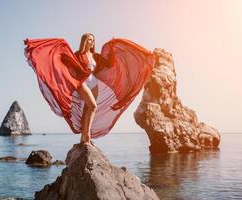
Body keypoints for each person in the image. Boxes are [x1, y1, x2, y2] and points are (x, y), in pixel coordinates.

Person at [24, 33, 156, 145]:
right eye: (89, 40)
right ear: (84, 41)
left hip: (94, 84)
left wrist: (112, 47)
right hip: (83, 84)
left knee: (88, 109)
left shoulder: (95, 56)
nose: (91, 42)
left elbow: (109, 64)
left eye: (92, 40)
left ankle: (85, 137)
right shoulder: (77, 55)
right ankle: (86, 137)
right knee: (92, 106)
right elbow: (67, 65)